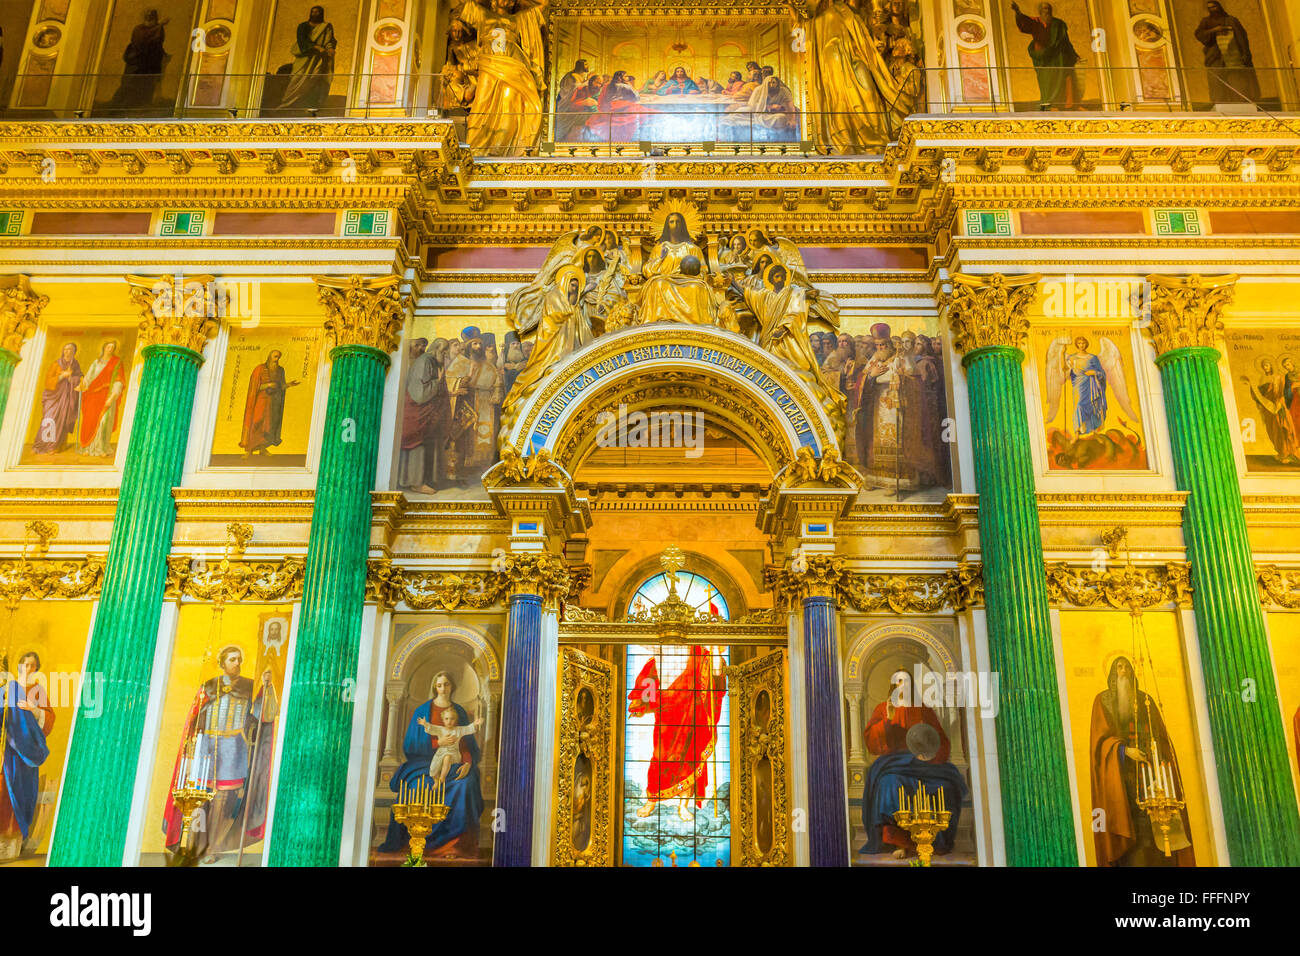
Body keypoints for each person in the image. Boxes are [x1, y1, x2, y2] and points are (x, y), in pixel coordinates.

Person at [162, 644, 278, 863]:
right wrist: (190, 745)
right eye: (232, 659)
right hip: (206, 747)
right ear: (222, 662)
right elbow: (194, 718)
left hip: (234, 748)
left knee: (223, 800)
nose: (237, 663)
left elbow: (265, 715)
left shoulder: (249, 687)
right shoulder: (209, 686)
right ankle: (195, 845)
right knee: (199, 798)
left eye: (239, 659)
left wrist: (267, 687)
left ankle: (213, 847)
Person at [1089, 655, 1195, 866]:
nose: (1123, 672)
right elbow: (1099, 745)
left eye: (1127, 667)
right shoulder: (1103, 701)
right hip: (1123, 786)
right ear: (1112, 673)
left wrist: (1158, 759)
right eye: (1119, 668)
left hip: (1153, 782)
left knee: (1158, 846)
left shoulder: (1146, 700)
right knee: (1135, 850)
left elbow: (1162, 739)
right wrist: (1124, 751)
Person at [860, 670, 966, 858]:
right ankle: (902, 843)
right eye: (899, 681)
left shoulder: (923, 709)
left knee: (947, 785)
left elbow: (939, 739)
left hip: (924, 763)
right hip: (893, 763)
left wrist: (930, 755)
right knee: (889, 784)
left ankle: (935, 841)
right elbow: (871, 742)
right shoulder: (883, 708)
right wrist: (888, 720)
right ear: (893, 685)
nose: (903, 684)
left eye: (907, 681)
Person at [379, 671, 484, 859]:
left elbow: (466, 743)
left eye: (446, 684)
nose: (443, 689)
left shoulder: (459, 712)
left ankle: (455, 845)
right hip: (424, 763)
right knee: (416, 786)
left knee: (466, 784)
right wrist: (438, 743)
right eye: (439, 685)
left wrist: (467, 763)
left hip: (456, 762)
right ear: (434, 687)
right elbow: (410, 745)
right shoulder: (422, 711)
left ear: (452, 687)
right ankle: (417, 842)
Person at [628, 645, 726, 821]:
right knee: (659, 758)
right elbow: (648, 682)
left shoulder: (701, 655)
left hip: (691, 718)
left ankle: (683, 805)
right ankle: (652, 800)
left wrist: (717, 653)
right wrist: (640, 704)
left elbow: (716, 680)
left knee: (688, 760)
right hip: (666, 717)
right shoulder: (657, 656)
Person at [459, 0, 548, 155]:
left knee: (510, 101)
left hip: (513, 60)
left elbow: (543, 5)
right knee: (482, 100)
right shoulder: (480, 12)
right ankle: (476, 146)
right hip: (489, 59)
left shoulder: (521, 18)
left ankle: (501, 147)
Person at [0, 652, 53, 862]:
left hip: (28, 751)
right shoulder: (8, 688)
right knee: (5, 790)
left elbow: (49, 718)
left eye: (32, 665)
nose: (27, 668)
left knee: (25, 793)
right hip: (9, 750)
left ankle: (17, 841)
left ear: (37, 669)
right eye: (24, 663)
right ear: (19, 665)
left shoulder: (37, 690)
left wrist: (34, 709)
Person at [399, 338, 447, 494]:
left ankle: (415, 480)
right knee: (417, 446)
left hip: (423, 411)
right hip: (416, 411)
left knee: (423, 445)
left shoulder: (431, 362)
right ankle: (416, 482)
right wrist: (437, 382)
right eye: (443, 350)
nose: (445, 354)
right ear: (435, 349)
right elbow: (420, 393)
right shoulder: (425, 361)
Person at [1012, 2, 1080, 108]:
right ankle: (1049, 104)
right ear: (1040, 10)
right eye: (1044, 9)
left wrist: (1074, 54)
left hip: (1058, 56)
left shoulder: (1059, 24)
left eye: (1048, 8)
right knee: (1046, 80)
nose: (1046, 11)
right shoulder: (1035, 21)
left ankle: (1066, 104)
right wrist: (1017, 12)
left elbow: (1065, 40)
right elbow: (1024, 24)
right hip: (1043, 57)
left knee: (1064, 76)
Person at [239, 349, 300, 457]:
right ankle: (249, 450)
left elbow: (281, 386)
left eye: (278, 357)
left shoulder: (280, 370)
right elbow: (255, 386)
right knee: (256, 423)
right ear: (269, 357)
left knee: (268, 426)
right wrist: (268, 385)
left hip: (273, 403)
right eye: (275, 357)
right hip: (260, 401)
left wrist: (289, 384)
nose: (277, 359)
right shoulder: (260, 369)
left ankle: (262, 449)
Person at [1196, 1, 1259, 103]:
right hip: (1216, 57)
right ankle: (1221, 102)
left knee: (1238, 81)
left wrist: (1245, 53)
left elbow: (1242, 38)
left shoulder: (1232, 20)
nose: (1212, 10)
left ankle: (1241, 102)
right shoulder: (1206, 21)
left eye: (1214, 7)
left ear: (1219, 7)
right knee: (1217, 82)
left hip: (1234, 56)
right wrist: (1215, 30)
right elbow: (1199, 34)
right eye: (1210, 8)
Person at [107, 9, 169, 110]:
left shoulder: (159, 29)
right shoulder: (139, 29)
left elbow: (158, 42)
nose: (149, 20)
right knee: (129, 83)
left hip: (150, 63)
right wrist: (160, 25)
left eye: (152, 18)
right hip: (136, 62)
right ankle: (119, 105)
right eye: (148, 18)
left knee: (147, 85)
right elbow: (141, 40)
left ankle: (141, 105)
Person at [279, 5, 336, 111]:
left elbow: (329, 40)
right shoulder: (303, 26)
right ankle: (286, 103)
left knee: (314, 79)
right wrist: (316, 47)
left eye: (317, 12)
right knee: (297, 78)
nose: (314, 14)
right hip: (304, 57)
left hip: (318, 59)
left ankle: (309, 105)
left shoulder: (326, 26)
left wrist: (330, 48)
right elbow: (302, 41)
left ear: (321, 14)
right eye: (313, 12)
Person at [76, 340, 126, 458]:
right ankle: (87, 447)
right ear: (104, 348)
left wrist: (113, 396)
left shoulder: (117, 362)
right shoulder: (96, 363)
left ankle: (101, 447)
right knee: (89, 420)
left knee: (103, 423)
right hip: (93, 395)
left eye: (112, 347)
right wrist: (81, 386)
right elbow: (88, 378)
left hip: (107, 395)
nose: (110, 349)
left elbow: (119, 381)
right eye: (108, 347)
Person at [32, 342, 81, 454]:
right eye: (66, 349)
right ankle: (40, 445)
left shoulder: (75, 365)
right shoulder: (56, 364)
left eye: (70, 350)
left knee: (62, 420)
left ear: (74, 352)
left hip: (67, 397)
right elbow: (48, 381)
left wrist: (72, 379)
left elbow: (79, 378)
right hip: (53, 397)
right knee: (49, 420)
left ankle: (53, 446)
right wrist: (61, 376)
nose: (67, 351)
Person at [419, 706, 483, 781]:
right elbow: (431, 728)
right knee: (433, 768)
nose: (449, 721)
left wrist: (475, 724)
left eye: (452, 719)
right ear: (443, 720)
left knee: (447, 758)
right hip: (440, 752)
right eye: (446, 719)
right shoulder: (440, 729)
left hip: (453, 753)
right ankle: (436, 781)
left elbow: (468, 729)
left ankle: (442, 777)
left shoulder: (458, 730)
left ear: (456, 720)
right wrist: (425, 724)